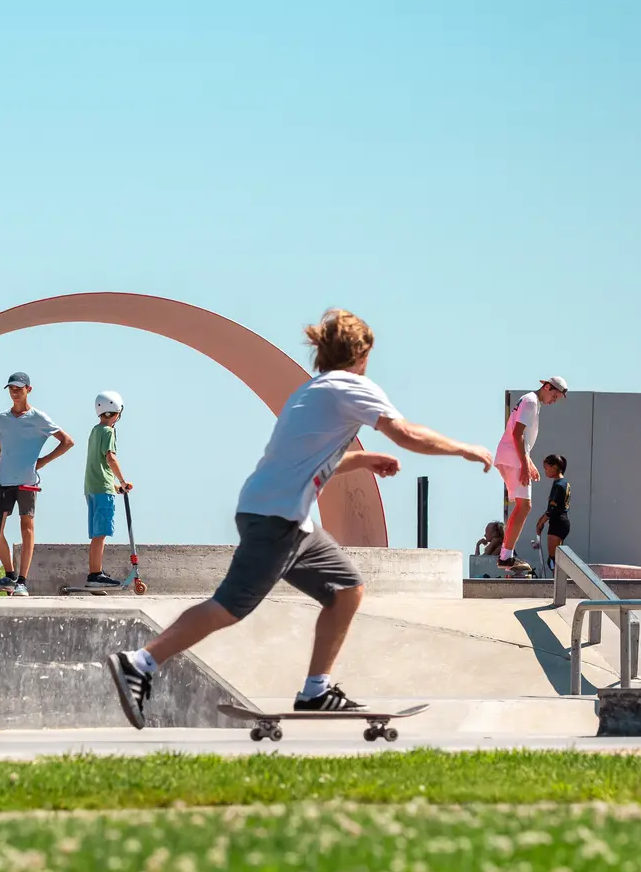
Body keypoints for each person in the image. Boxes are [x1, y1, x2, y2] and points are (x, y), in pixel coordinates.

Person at [108, 308, 495, 728]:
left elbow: (305, 459)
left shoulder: (311, 391)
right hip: (276, 519)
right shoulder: (353, 386)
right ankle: (141, 661)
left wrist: (363, 458)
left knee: (347, 589)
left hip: (284, 516)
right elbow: (407, 434)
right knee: (229, 606)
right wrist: (463, 448)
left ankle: (317, 690)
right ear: (362, 355)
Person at [0, 372, 74, 597]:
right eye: (11, 388)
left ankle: (22, 581)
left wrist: (41, 462)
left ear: (28, 389)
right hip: (3, 481)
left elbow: (67, 442)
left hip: (27, 483)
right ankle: (10, 575)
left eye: (19, 388)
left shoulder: (38, 417)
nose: (14, 391)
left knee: (26, 528)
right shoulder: (1, 419)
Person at [493, 377, 568, 573]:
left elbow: (520, 437)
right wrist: (524, 464)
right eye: (554, 395)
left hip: (511, 456)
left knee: (522, 506)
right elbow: (517, 434)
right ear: (547, 386)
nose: (553, 400)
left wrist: (529, 462)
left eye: (557, 398)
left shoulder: (530, 401)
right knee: (524, 506)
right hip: (513, 457)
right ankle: (506, 556)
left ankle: (506, 555)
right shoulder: (531, 402)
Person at [83, 390, 133, 588]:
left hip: (92, 486)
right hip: (102, 489)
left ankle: (96, 572)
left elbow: (97, 464)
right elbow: (109, 458)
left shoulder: (95, 431)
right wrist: (122, 481)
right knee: (101, 533)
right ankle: (95, 574)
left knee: (97, 534)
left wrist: (115, 486)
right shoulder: (108, 432)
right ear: (117, 413)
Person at [535, 454, 571, 571]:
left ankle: (561, 580)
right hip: (561, 521)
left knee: (553, 559)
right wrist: (541, 519)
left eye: (546, 468)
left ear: (554, 468)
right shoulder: (563, 483)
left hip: (558, 522)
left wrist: (541, 523)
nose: (545, 471)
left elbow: (552, 510)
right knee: (557, 557)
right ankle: (560, 579)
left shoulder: (559, 485)